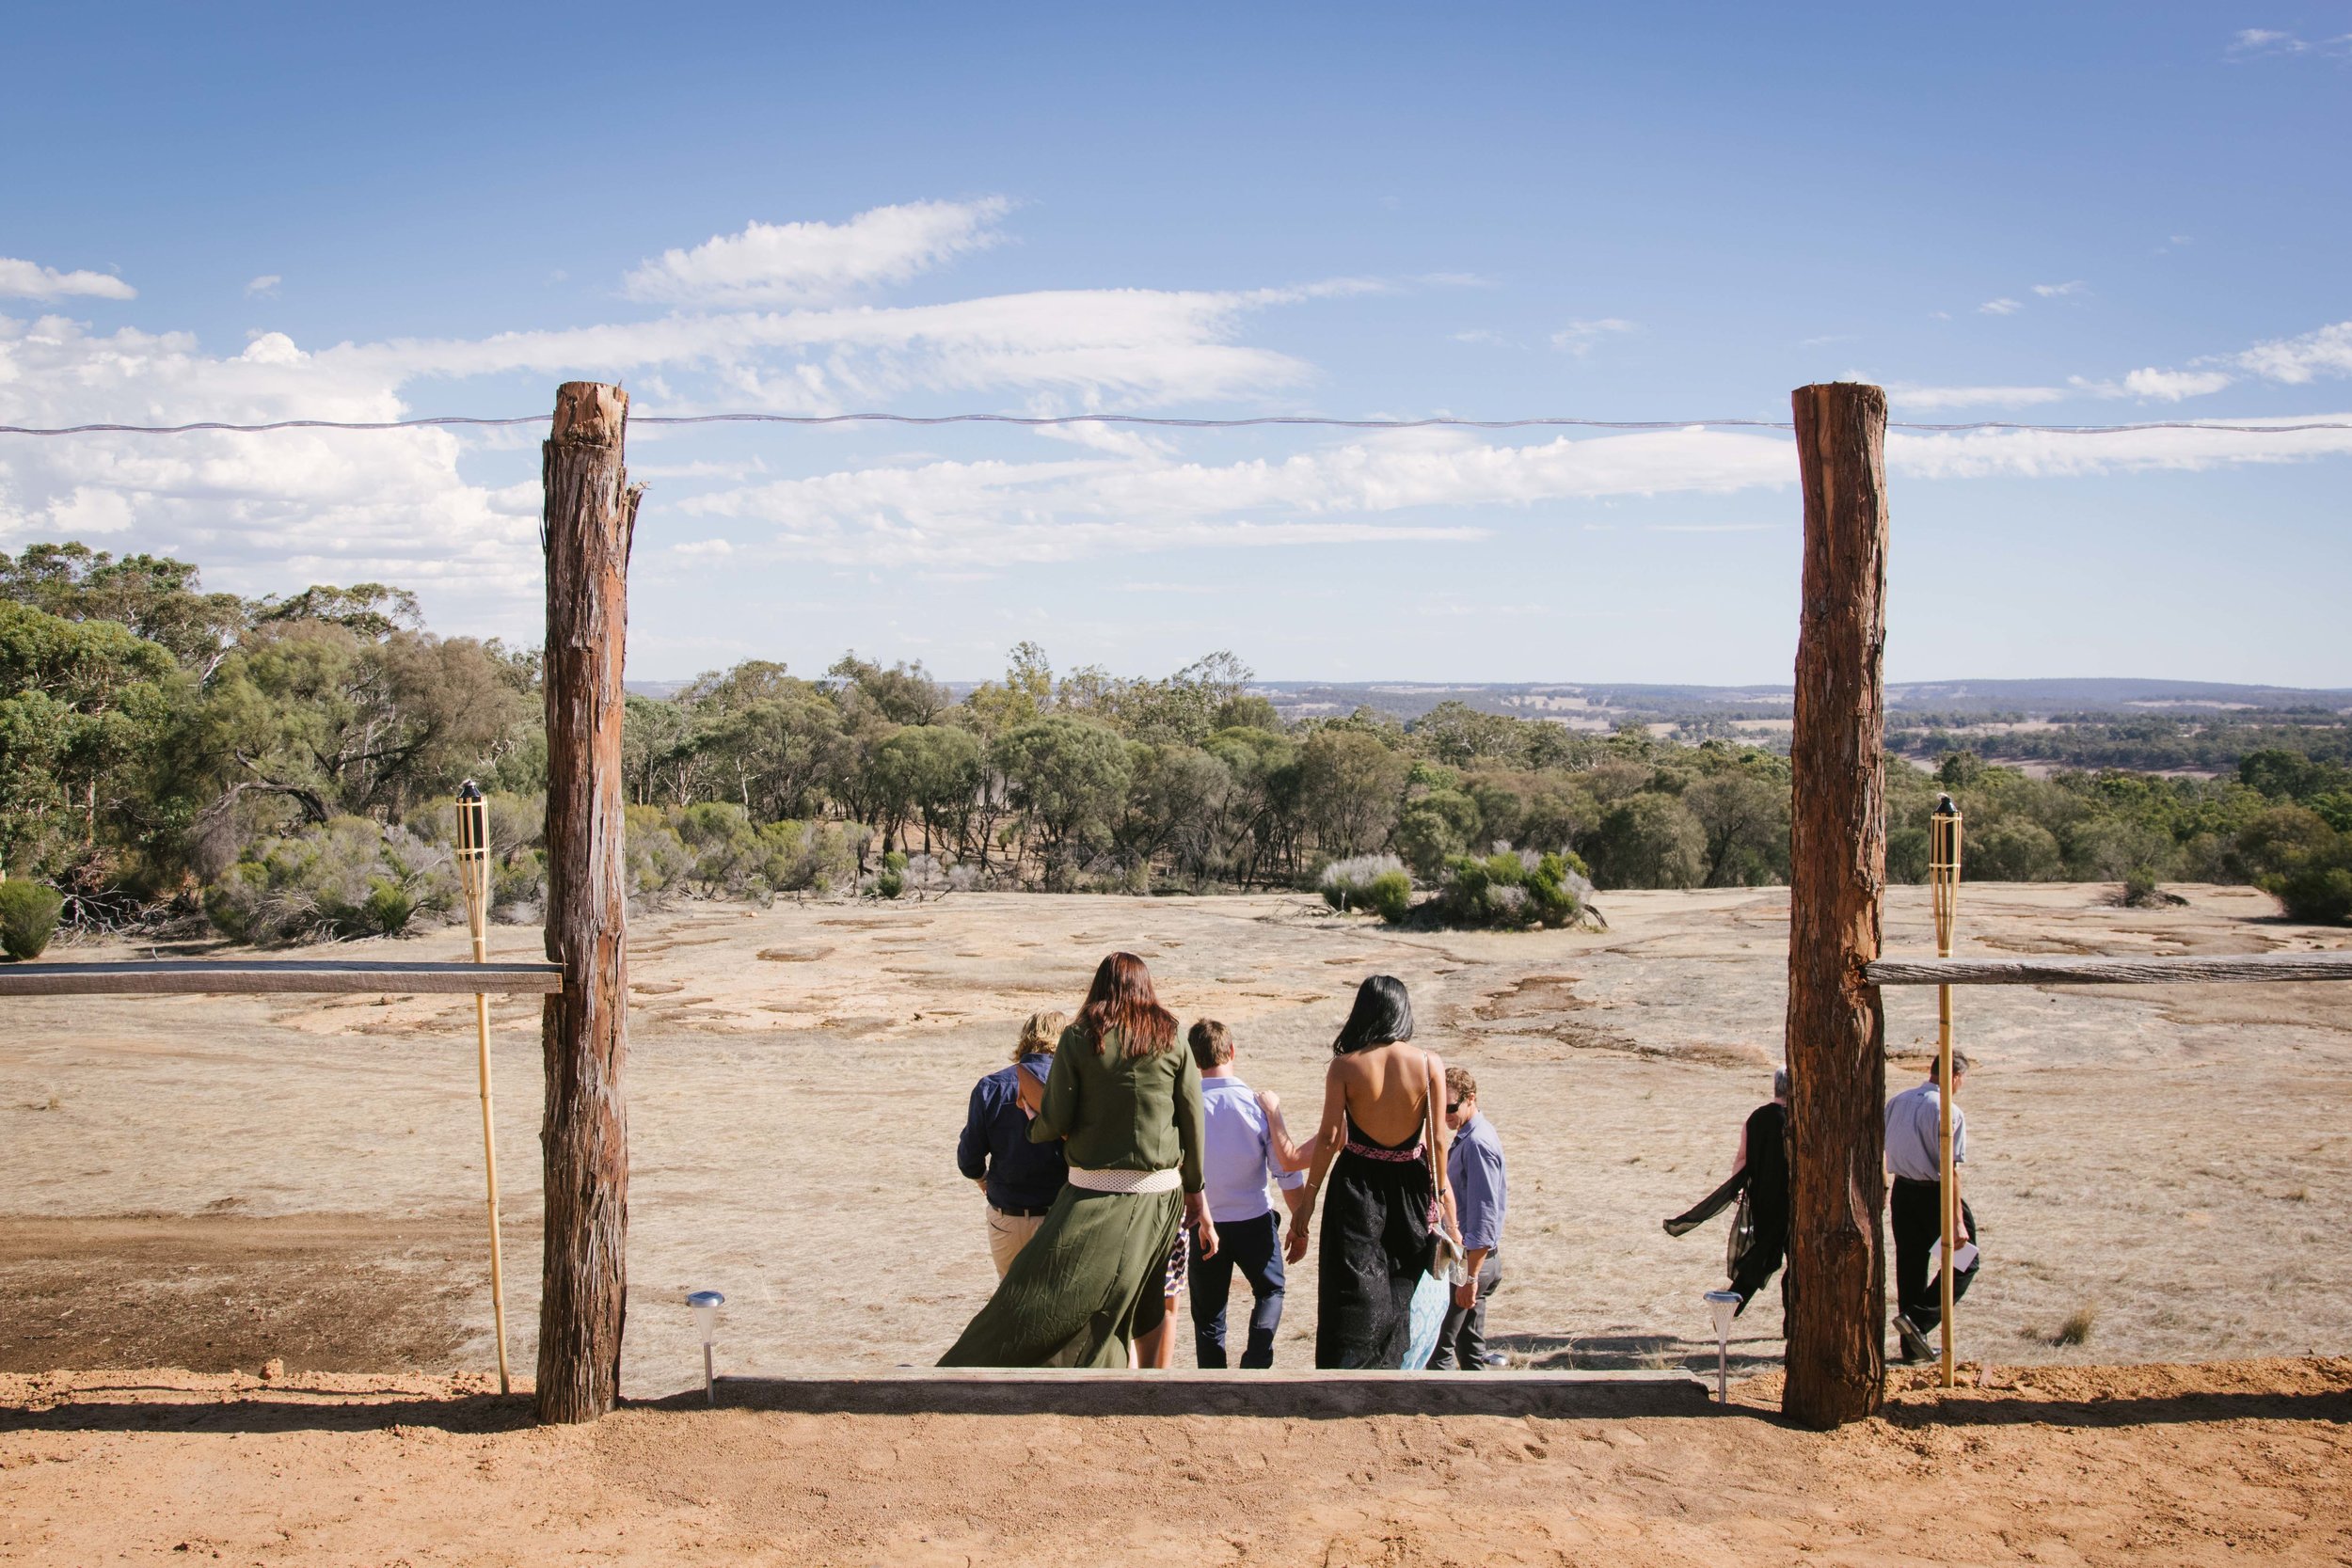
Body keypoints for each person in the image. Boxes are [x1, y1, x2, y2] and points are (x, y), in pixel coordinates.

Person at [940, 953, 1215, 1368]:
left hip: (1093, 1194)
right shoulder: (1172, 1037)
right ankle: (1155, 1390)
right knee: (1152, 1303)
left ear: (1100, 986)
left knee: (1043, 1296)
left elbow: (1057, 1119)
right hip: (1161, 1196)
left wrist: (1034, 1120)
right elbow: (1193, 1119)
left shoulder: (1081, 1036)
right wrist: (1195, 1192)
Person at [1288, 975, 1455, 1370]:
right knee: (1403, 1280)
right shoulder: (1429, 1063)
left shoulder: (1344, 1067)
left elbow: (1329, 1138)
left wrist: (1306, 1203)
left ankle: (1347, 1369)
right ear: (1402, 1010)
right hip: (1411, 1183)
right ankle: (1396, 1366)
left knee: (1350, 1286)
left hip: (1357, 1184)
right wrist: (1440, 1194)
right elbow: (1440, 1141)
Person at [1184, 1019, 1310, 1369]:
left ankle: (1213, 1380)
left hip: (1204, 1221)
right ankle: (1256, 1360)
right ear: (1232, 1050)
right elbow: (1286, 1173)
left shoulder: (1187, 1108)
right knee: (1270, 1291)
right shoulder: (1255, 1104)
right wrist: (1299, 1227)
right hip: (1253, 1219)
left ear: (1195, 1059)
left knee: (1208, 1314)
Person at [1664, 1068, 1792, 1320]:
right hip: (1788, 1200)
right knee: (1782, 1259)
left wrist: (1739, 1189)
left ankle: (1736, 1307)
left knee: (1767, 1255)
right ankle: (1736, 1307)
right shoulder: (1797, 1119)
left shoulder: (1756, 1117)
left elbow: (1742, 1157)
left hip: (1761, 1197)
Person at [955, 1010, 1071, 1278]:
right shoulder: (1070, 1088)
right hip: (1060, 1217)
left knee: (1011, 1307)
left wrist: (983, 1180)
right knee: (1059, 1308)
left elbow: (969, 1158)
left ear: (1026, 1038)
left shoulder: (991, 1087)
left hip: (1008, 1218)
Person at [1884, 1053, 1979, 1364]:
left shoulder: (1898, 1101)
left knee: (1911, 1266)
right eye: (1963, 1079)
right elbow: (1950, 1170)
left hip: (1903, 1192)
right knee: (1965, 1261)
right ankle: (1919, 1321)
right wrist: (1957, 1222)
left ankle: (1911, 1347)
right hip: (1935, 1196)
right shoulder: (1948, 1110)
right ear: (1954, 1076)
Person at [1431, 1065, 1506, 1370]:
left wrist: (1470, 1278)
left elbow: (1484, 1218)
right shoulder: (1470, 1134)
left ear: (1470, 1098)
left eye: (1451, 1107)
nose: (1445, 1114)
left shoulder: (1477, 1144)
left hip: (1471, 1262)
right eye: (1438, 1107)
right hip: (1477, 1260)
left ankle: (1441, 1416)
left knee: (1439, 1353)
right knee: (1471, 1353)